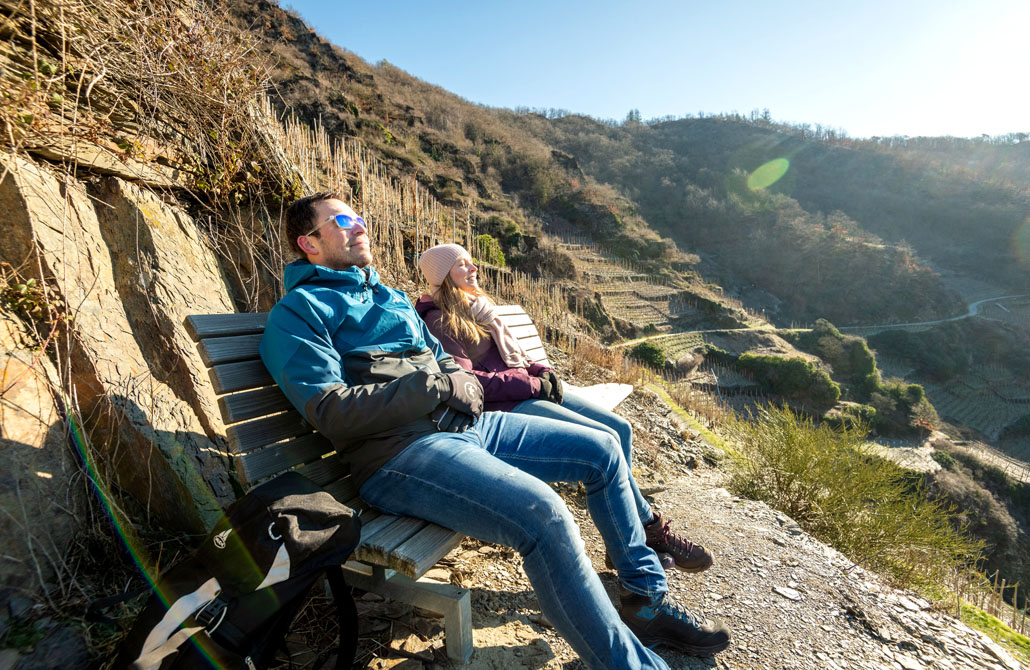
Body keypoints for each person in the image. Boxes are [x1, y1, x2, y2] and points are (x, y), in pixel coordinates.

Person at [259, 192, 730, 669]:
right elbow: (331, 410)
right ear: (309, 243)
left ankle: (645, 600)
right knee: (545, 514)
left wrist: (457, 380)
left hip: (467, 427)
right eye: (341, 221)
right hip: (400, 455)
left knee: (604, 449)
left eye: (357, 216)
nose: (359, 225)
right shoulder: (299, 312)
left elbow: (445, 361)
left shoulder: (389, 297)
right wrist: (438, 385)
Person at [414, 243, 713, 574]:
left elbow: (516, 357)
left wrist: (542, 371)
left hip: (528, 389)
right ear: (443, 276)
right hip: (506, 406)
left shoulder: (478, 307)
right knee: (605, 441)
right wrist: (532, 385)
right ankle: (647, 529)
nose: (473, 269)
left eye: (472, 262)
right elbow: (467, 382)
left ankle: (626, 539)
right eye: (462, 264)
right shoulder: (440, 321)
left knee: (620, 429)